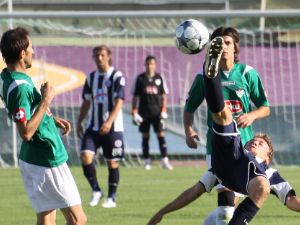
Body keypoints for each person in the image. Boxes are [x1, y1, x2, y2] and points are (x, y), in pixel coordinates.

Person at [147, 36, 297, 225]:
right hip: (228, 151)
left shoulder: (270, 173)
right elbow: (194, 191)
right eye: (254, 140)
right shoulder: (243, 152)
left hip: (237, 174)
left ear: (267, 158)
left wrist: (251, 115)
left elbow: (292, 201)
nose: (254, 142)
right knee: (223, 114)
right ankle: (211, 73)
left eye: (260, 143)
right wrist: (163, 211)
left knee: (245, 199)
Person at [0, 27, 87, 225]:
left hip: (33, 158)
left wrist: (50, 118)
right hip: (46, 158)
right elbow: (26, 132)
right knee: (78, 220)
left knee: (47, 220)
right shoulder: (20, 87)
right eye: (31, 47)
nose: (34, 51)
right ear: (22, 54)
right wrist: (46, 100)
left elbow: (25, 113)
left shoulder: (6, 76)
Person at [184, 27, 270, 224]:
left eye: (227, 43)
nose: (223, 47)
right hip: (217, 147)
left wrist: (251, 115)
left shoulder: (247, 73)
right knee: (226, 207)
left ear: (235, 47)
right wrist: (188, 129)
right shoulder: (201, 77)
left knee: (230, 208)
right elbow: (189, 108)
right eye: (218, 43)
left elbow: (265, 107)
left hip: (245, 148)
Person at [76, 45, 125, 208]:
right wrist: (79, 121)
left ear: (108, 56)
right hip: (94, 126)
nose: (99, 58)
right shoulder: (91, 78)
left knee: (112, 163)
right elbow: (86, 101)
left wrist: (109, 121)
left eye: (102, 55)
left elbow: (119, 102)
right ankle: (96, 190)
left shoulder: (117, 76)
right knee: (85, 156)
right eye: (96, 55)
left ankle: (111, 197)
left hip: (113, 128)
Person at [131, 55, 173, 170]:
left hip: (157, 113)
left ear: (155, 65)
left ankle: (165, 160)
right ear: (145, 65)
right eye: (148, 64)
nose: (150, 66)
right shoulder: (140, 79)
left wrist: (164, 110)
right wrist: (134, 111)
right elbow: (135, 97)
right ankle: (147, 161)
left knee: (161, 135)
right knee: (145, 136)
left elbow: (163, 96)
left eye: (152, 64)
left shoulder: (160, 78)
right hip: (143, 113)